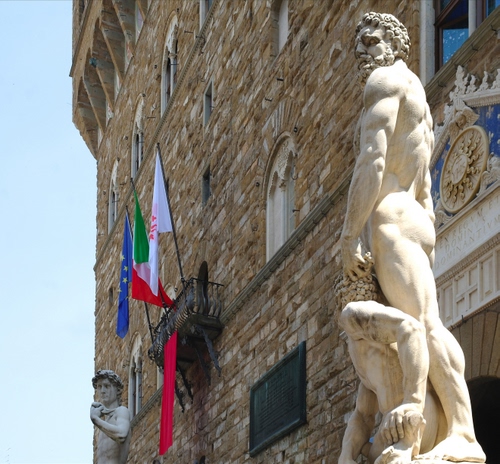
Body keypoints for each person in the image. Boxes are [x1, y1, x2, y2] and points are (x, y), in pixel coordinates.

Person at [340, 12, 485, 462]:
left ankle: (463, 432)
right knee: (422, 323)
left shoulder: (385, 82)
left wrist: (349, 235)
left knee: (423, 324)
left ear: (396, 43)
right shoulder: (417, 95)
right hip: (414, 218)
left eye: (373, 41)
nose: (364, 50)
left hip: (390, 216)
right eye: (360, 44)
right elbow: (423, 191)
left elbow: (373, 158)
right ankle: (439, 429)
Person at [90, 370, 131, 464]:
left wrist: (96, 419)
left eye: (107, 386)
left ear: (118, 390)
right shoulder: (106, 423)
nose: (102, 391)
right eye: (99, 387)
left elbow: (121, 434)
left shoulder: (121, 411)